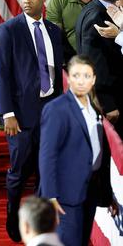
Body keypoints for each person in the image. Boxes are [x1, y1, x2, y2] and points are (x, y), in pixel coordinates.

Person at [0, 0, 64, 242]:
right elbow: (0, 75)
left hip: (49, 113)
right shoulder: (8, 30)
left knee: (45, 170)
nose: (26, 0)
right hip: (20, 116)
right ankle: (13, 214)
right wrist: (7, 113)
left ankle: (37, 220)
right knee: (19, 170)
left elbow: (58, 74)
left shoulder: (54, 32)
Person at [39, 55, 116, 246]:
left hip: (89, 190)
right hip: (64, 195)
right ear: (69, 78)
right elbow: (47, 156)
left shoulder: (96, 110)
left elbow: (100, 154)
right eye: (76, 76)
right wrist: (50, 196)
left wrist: (107, 195)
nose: (81, 81)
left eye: (86, 76)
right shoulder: (56, 109)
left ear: (94, 79)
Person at [75, 0, 123, 132]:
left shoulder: (103, 9)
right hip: (111, 101)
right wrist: (107, 102)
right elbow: (94, 63)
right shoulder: (97, 15)